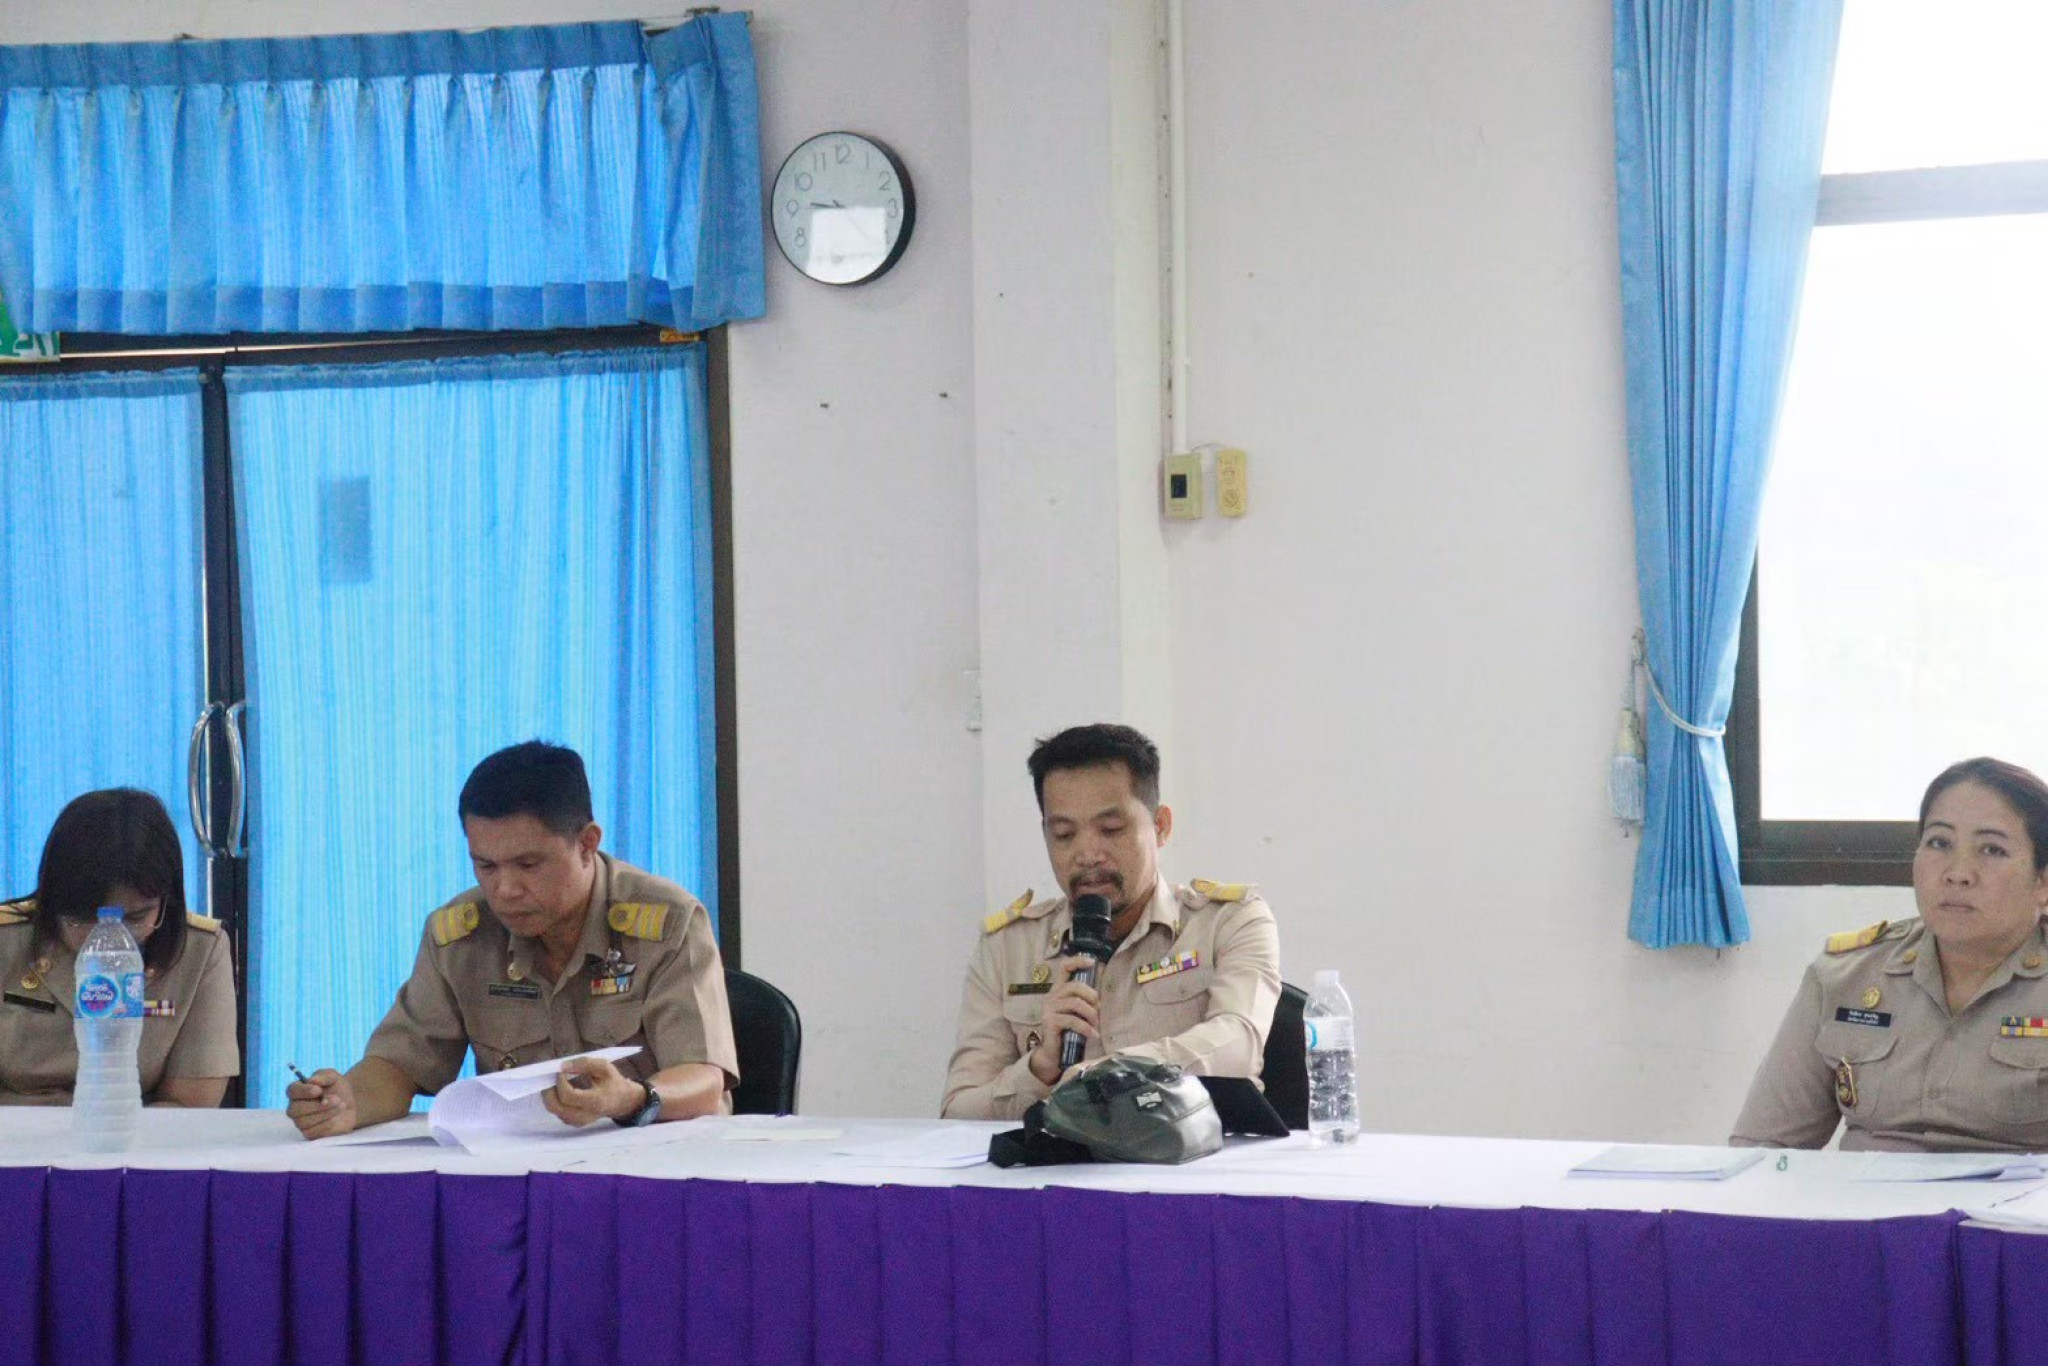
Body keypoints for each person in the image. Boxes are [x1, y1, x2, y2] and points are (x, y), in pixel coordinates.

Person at [287, 741, 737, 1137]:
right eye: (485, 866)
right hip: (519, 1168)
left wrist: (631, 1099)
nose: (505, 890)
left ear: (586, 844)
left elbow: (704, 1077)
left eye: (528, 865)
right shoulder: (460, 937)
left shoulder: (666, 922)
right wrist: (345, 1103)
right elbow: (399, 1065)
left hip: (653, 1165)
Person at [942, 723, 1281, 1121]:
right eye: (1064, 834)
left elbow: (1238, 1046)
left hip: (1193, 1155)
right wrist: (1039, 1067)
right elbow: (958, 1113)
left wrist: (1112, 1074)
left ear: (1160, 826)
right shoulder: (1006, 948)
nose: (1087, 854)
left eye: (1110, 830)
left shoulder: (1229, 921)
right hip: (1060, 1160)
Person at [1733, 756, 2048, 1152]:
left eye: (1992, 850)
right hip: (1867, 1191)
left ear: (2042, 882)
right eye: (1939, 843)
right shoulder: (1845, 977)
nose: (1958, 873)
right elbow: (1766, 1148)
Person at [0, 788, 238, 1106]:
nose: (109, 935)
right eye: (84, 918)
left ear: (166, 901)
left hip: (136, 1130)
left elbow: (190, 1105)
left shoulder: (200, 951)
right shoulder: (8, 939)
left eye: (136, 917)